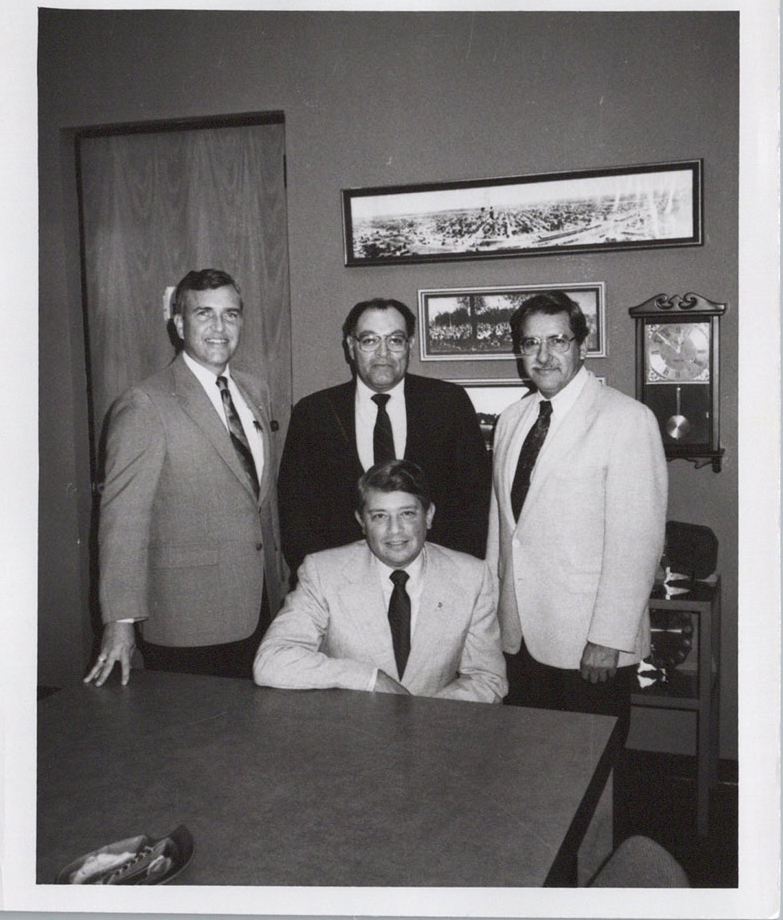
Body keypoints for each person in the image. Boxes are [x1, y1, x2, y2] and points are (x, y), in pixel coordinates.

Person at [84, 268, 287, 686]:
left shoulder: (256, 391)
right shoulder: (144, 404)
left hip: (259, 602)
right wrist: (119, 622)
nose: (219, 327)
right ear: (179, 324)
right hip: (186, 618)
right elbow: (123, 520)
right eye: (204, 314)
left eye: (230, 315)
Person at [486, 290, 667, 740]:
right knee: (530, 769)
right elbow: (504, 530)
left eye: (558, 341)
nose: (543, 356)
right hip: (520, 636)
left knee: (593, 778)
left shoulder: (626, 419)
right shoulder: (512, 419)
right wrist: (493, 617)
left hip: (590, 645)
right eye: (530, 343)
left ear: (581, 346)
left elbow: (637, 541)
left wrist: (608, 638)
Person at [254, 460, 507, 702]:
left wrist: (424, 715)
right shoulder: (323, 572)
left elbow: (488, 678)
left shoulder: (472, 576)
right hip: (352, 732)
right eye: (379, 516)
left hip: (437, 731)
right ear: (361, 522)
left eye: (407, 513)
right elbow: (270, 661)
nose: (395, 530)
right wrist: (370, 679)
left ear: (428, 516)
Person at [277, 298, 490, 579]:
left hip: (437, 579)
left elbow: (474, 502)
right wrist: (323, 580)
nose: (383, 353)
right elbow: (295, 511)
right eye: (369, 340)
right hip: (340, 582)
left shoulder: (448, 404)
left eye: (395, 340)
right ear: (350, 347)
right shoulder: (314, 413)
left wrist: (451, 576)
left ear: (410, 345)